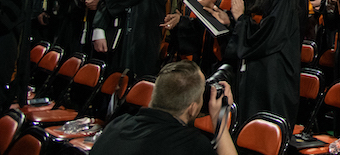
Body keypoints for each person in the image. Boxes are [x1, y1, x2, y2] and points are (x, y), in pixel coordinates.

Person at [223, 0, 302, 125]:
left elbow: (271, 32)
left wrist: (240, 18)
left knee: (264, 124)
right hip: (257, 67)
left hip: (274, 70)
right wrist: (227, 18)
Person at [89, 60, 237, 155]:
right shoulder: (192, 145)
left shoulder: (116, 126)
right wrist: (220, 120)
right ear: (192, 108)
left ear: (154, 94)